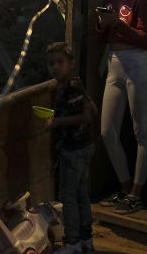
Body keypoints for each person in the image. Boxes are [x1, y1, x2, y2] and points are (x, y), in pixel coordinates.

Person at [95, 0, 147, 215]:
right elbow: (102, 36)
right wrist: (102, 23)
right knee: (107, 131)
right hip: (114, 64)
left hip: (137, 64)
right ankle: (124, 187)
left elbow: (145, 38)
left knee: (141, 131)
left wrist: (119, 26)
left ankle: (136, 193)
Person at [45, 42, 96, 254]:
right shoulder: (74, 85)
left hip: (74, 149)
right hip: (84, 147)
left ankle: (73, 242)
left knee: (69, 196)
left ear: (71, 63)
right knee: (81, 195)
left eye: (60, 62)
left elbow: (86, 115)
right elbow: (92, 108)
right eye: (51, 64)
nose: (55, 67)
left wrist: (56, 122)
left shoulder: (72, 87)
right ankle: (86, 240)